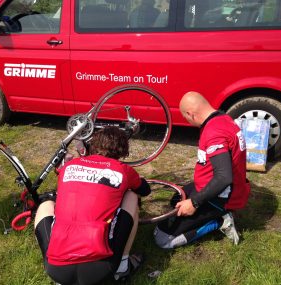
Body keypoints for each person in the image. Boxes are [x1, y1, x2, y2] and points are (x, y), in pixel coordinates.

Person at [34, 126, 151, 285]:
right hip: (100, 269)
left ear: (93, 144)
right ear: (123, 150)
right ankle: (122, 266)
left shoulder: (69, 166)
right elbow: (145, 190)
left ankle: (53, 259)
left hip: (56, 269)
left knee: (46, 205)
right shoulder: (123, 170)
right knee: (131, 196)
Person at [154, 91, 250, 249]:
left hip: (221, 198)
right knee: (175, 201)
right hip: (212, 187)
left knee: (162, 239)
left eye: (185, 118)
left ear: (190, 114)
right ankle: (209, 214)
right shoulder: (223, 118)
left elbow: (224, 177)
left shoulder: (214, 133)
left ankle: (220, 220)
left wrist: (194, 202)